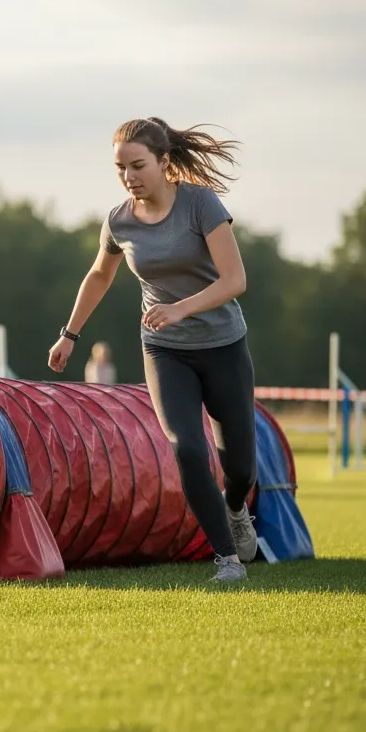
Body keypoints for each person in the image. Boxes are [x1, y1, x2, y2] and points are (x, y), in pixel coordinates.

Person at [48, 116, 258, 584]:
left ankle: (236, 507)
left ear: (164, 163)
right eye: (121, 168)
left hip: (223, 344)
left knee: (239, 464)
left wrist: (182, 307)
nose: (129, 177)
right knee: (185, 447)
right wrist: (70, 334)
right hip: (166, 351)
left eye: (138, 165)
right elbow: (100, 275)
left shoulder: (200, 204)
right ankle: (227, 559)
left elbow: (235, 280)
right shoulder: (119, 220)